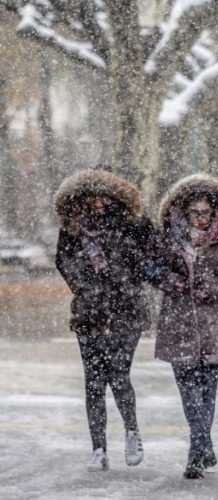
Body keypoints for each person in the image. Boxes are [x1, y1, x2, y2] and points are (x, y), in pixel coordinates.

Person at [53, 167, 152, 471]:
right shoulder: (73, 225)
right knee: (94, 382)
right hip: (89, 314)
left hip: (127, 312)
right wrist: (83, 286)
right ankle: (99, 448)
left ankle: (132, 431)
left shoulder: (133, 223)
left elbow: (149, 256)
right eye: (92, 194)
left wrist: (126, 279)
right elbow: (63, 259)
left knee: (119, 374)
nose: (98, 200)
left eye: (104, 193)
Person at [147, 174, 218, 479]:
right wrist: (171, 281)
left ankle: (197, 449)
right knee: (189, 392)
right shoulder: (167, 236)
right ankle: (201, 445)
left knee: (207, 390)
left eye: (205, 213)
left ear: (214, 212)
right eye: (194, 213)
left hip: (216, 325)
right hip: (179, 324)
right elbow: (150, 266)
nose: (200, 219)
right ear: (183, 212)